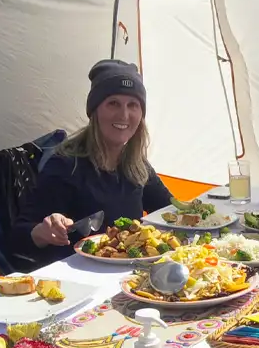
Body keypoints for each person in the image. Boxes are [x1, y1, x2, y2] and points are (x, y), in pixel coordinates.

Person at [11, 60, 173, 266]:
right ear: (95, 111)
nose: (124, 115)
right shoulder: (65, 165)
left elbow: (170, 211)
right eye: (113, 103)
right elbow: (18, 237)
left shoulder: (135, 164)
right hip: (80, 278)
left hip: (129, 274)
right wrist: (43, 231)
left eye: (133, 105)